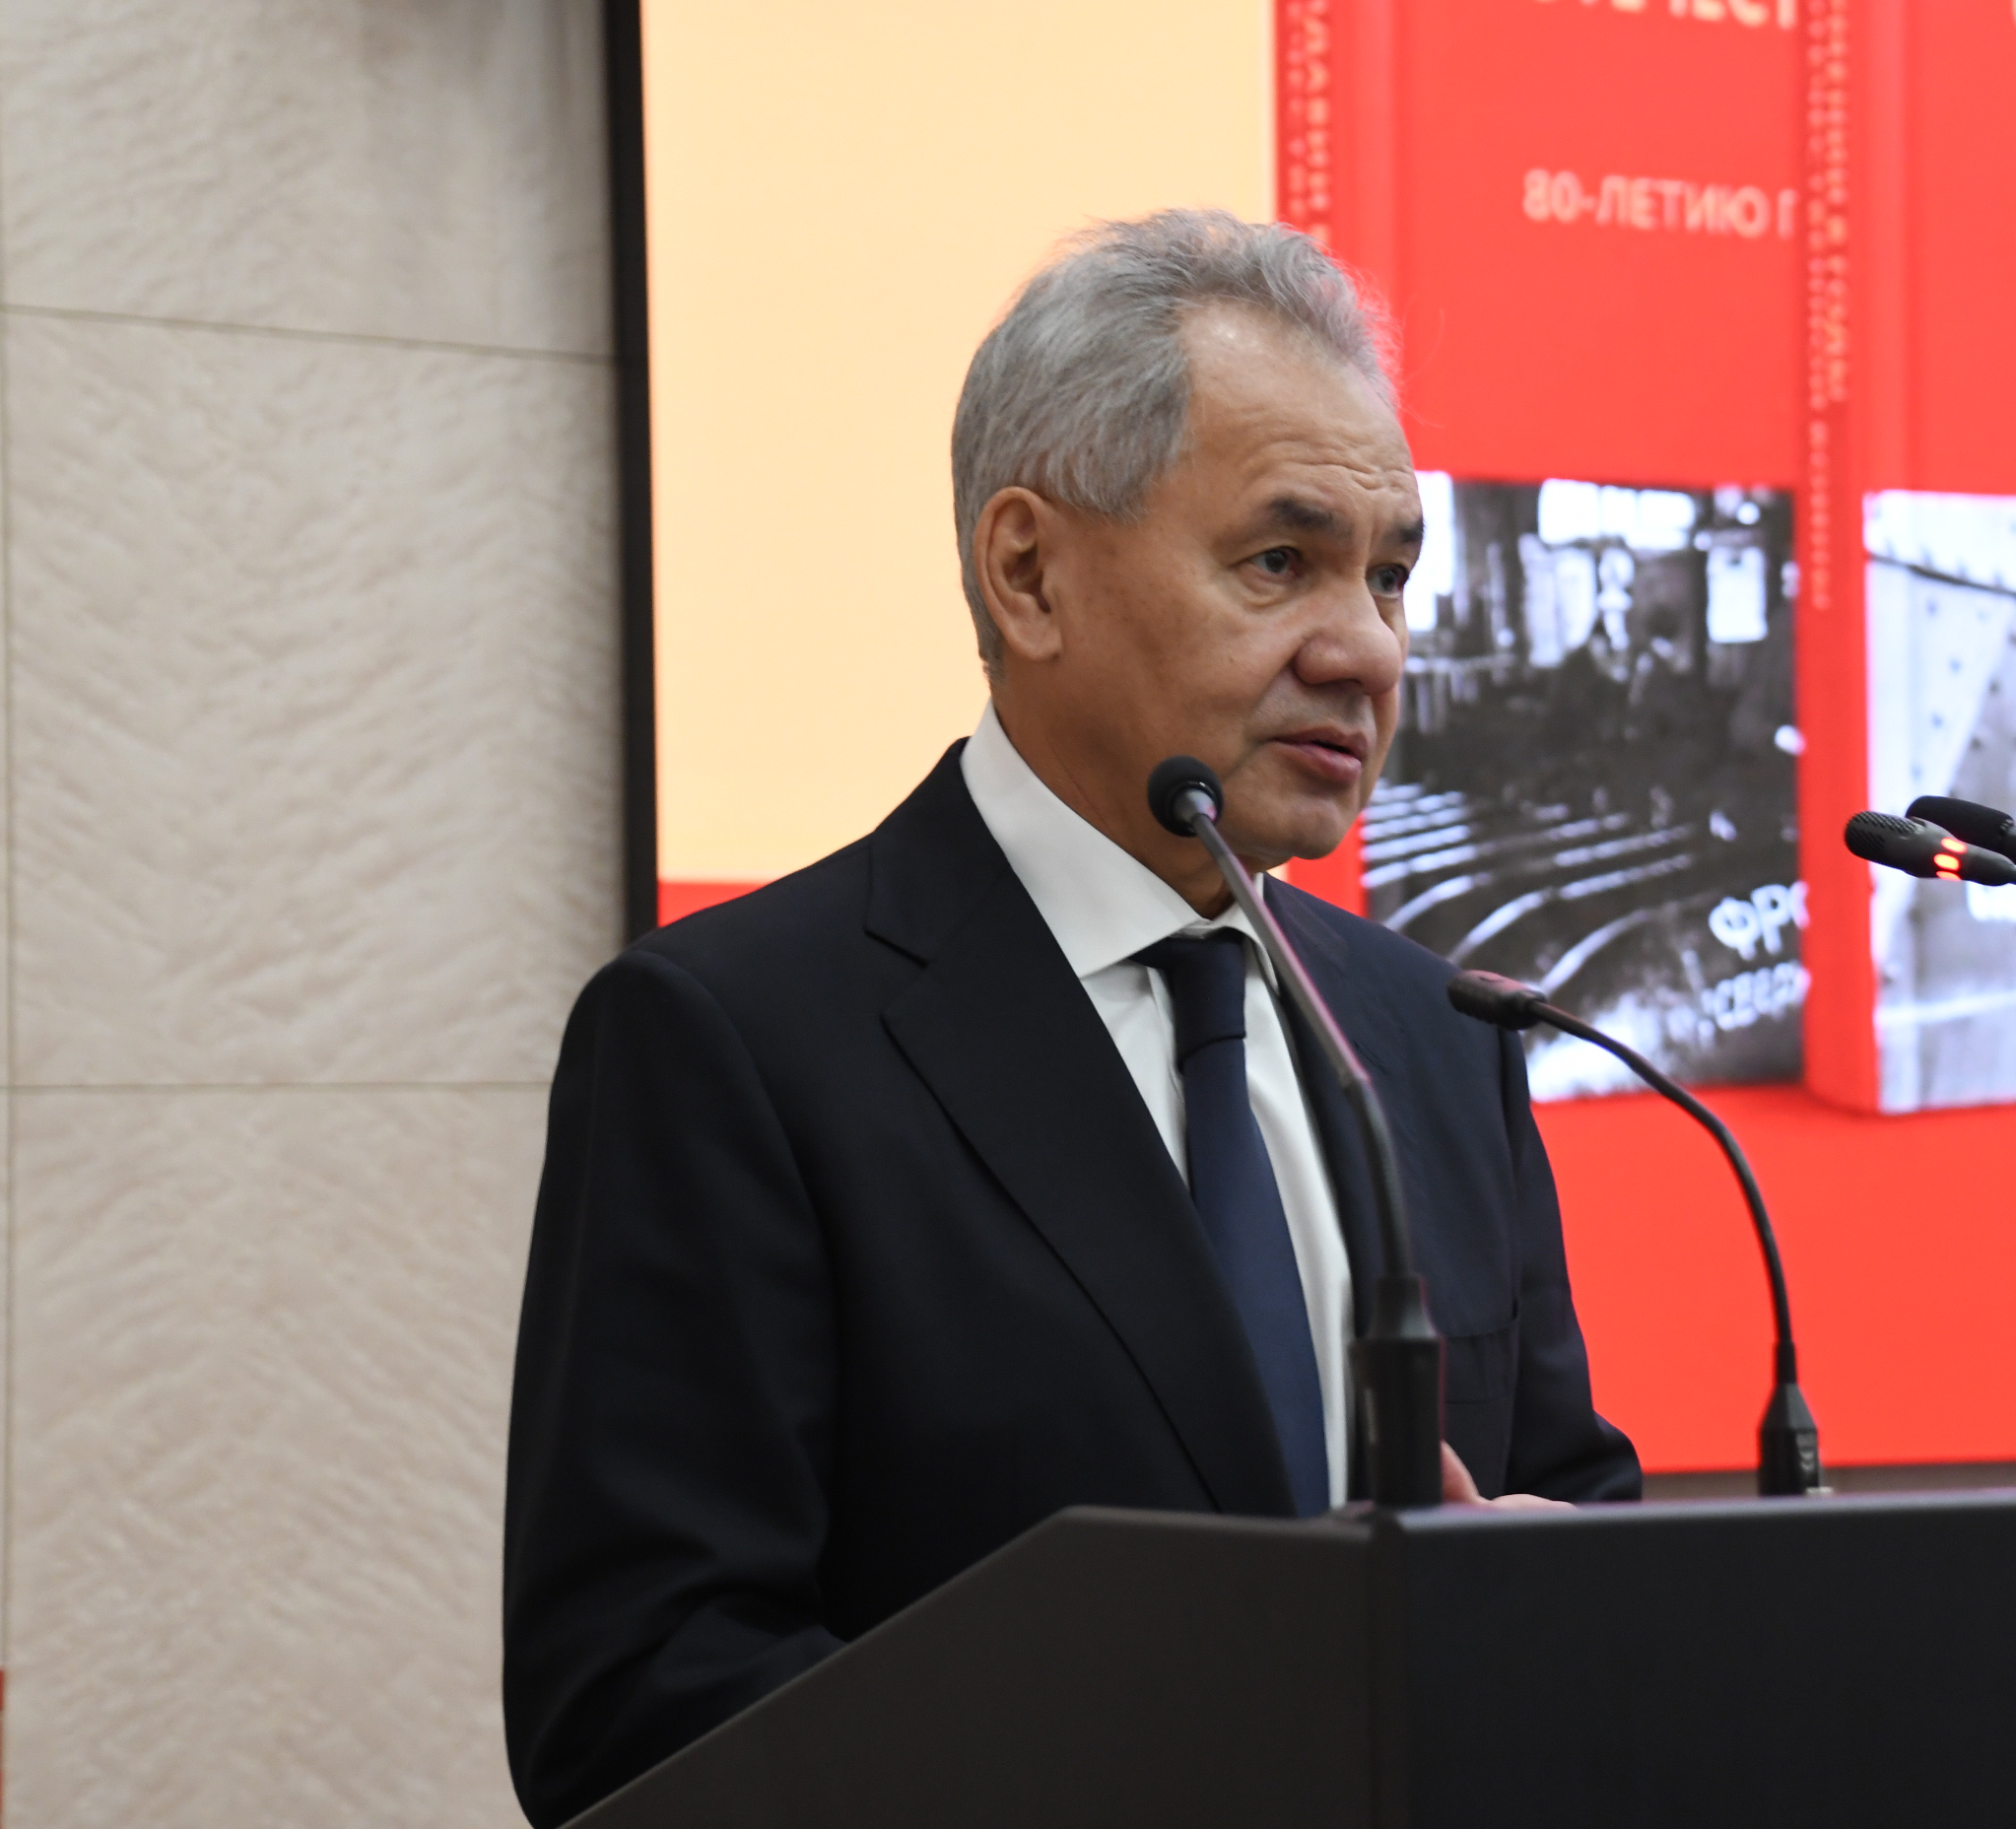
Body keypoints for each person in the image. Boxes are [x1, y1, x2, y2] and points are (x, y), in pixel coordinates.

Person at [502, 209, 1641, 1828]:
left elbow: (1567, 1497)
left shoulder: (1434, 1035)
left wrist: (1560, 1603)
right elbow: (640, 1704)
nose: (1367, 650)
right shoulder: (733, 1044)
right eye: (1282, 562)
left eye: (1390, 576)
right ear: (1029, 573)